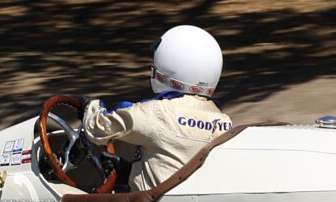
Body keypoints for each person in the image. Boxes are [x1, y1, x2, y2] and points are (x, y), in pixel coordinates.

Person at [82, 25, 234, 192]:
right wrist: (127, 171)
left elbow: (97, 129)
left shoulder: (156, 112)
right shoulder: (224, 122)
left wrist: (90, 106)